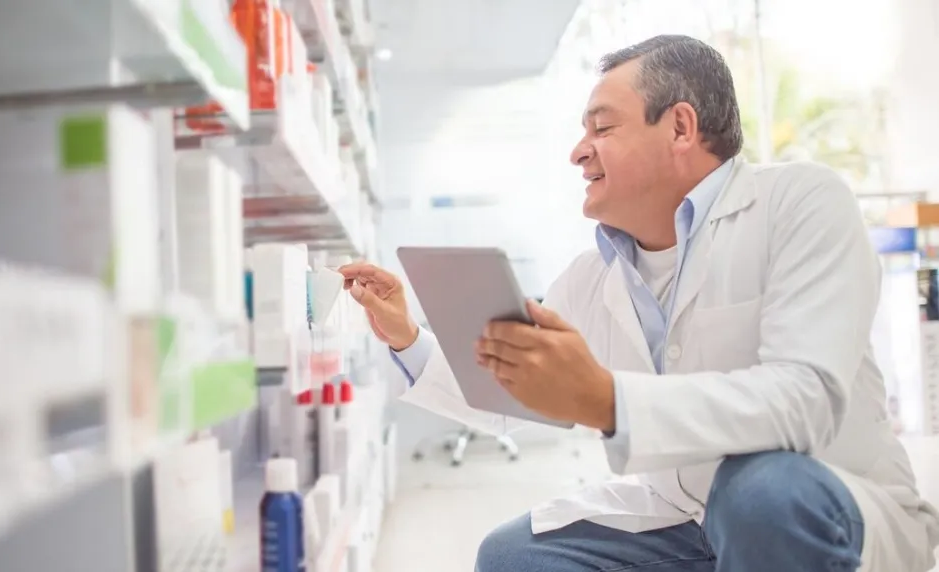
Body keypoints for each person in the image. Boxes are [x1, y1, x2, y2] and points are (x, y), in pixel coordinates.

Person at [339, 35, 939, 572]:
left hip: (818, 506)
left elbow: (805, 399)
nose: (578, 152)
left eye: (602, 128)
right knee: (513, 557)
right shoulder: (592, 275)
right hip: (683, 518)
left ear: (680, 127)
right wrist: (407, 337)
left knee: (759, 491)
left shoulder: (800, 204)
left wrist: (607, 399)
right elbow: (510, 403)